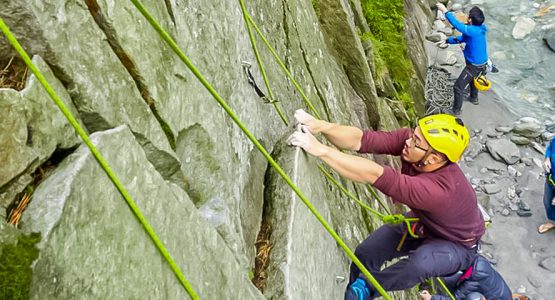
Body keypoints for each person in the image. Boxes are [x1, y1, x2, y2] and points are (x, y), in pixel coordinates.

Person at [287, 109, 485, 299]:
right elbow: (362, 140)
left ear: (434, 158)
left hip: (457, 245)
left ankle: (367, 289)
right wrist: (321, 126)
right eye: (413, 135)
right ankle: (356, 292)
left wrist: (320, 150)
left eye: (415, 141)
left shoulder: (439, 191)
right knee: (366, 253)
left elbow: (375, 175)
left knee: (419, 264)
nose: (408, 141)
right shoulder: (416, 149)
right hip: (425, 224)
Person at [436, 3, 489, 116]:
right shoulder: (480, 29)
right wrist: (446, 41)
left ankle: (456, 111)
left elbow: (457, 25)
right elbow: (462, 38)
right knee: (474, 79)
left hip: (474, 65)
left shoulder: (472, 31)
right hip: (482, 64)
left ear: (470, 19)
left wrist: (445, 10)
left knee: (458, 87)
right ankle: (474, 98)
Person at [418, 255, 512, 300]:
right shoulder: (478, 260)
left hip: (479, 293)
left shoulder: (474, 280)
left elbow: (455, 298)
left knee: (472, 298)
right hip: (487, 290)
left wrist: (431, 298)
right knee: (447, 279)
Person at [538, 137, 555, 234]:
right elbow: (550, 147)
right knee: (548, 201)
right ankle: (553, 221)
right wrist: (547, 158)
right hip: (551, 179)